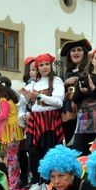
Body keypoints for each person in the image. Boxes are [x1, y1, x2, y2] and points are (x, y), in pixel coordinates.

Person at [23, 53, 65, 183]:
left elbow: (59, 102)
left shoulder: (56, 80)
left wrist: (39, 96)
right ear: (37, 68)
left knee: (49, 152)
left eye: (47, 64)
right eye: (41, 65)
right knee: (33, 152)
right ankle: (37, 181)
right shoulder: (34, 83)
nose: (45, 67)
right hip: (35, 119)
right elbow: (22, 102)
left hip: (50, 119)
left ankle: (50, 182)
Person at [0, 77, 24, 188]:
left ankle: (13, 183)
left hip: (10, 131)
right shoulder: (11, 99)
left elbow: (3, 116)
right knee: (13, 156)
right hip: (14, 130)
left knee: (11, 158)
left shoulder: (3, 100)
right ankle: (15, 180)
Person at [61, 39, 92, 145]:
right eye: (73, 50)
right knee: (70, 143)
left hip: (85, 111)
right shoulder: (66, 72)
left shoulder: (89, 70)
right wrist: (65, 83)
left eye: (79, 50)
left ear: (84, 53)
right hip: (69, 113)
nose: (76, 53)